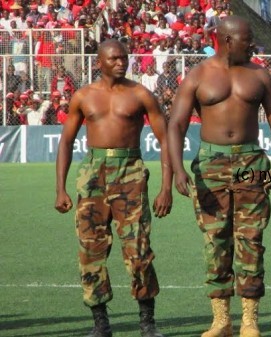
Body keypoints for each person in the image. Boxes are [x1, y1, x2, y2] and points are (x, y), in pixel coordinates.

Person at [167, 16, 271, 337]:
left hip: (251, 161)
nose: (252, 45)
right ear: (226, 40)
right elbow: (176, 125)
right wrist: (178, 169)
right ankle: (221, 320)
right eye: (246, 40)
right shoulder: (198, 75)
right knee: (215, 241)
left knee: (251, 240)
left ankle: (250, 319)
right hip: (210, 163)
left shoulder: (259, 75)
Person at [54, 39, 172, 337]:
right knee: (90, 250)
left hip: (130, 173)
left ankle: (147, 322)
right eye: (114, 58)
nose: (121, 62)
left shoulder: (141, 94)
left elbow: (166, 140)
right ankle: (100, 323)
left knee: (139, 250)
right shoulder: (83, 96)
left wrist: (166, 187)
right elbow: (66, 141)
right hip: (92, 175)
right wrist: (61, 188)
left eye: (124, 57)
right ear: (100, 62)